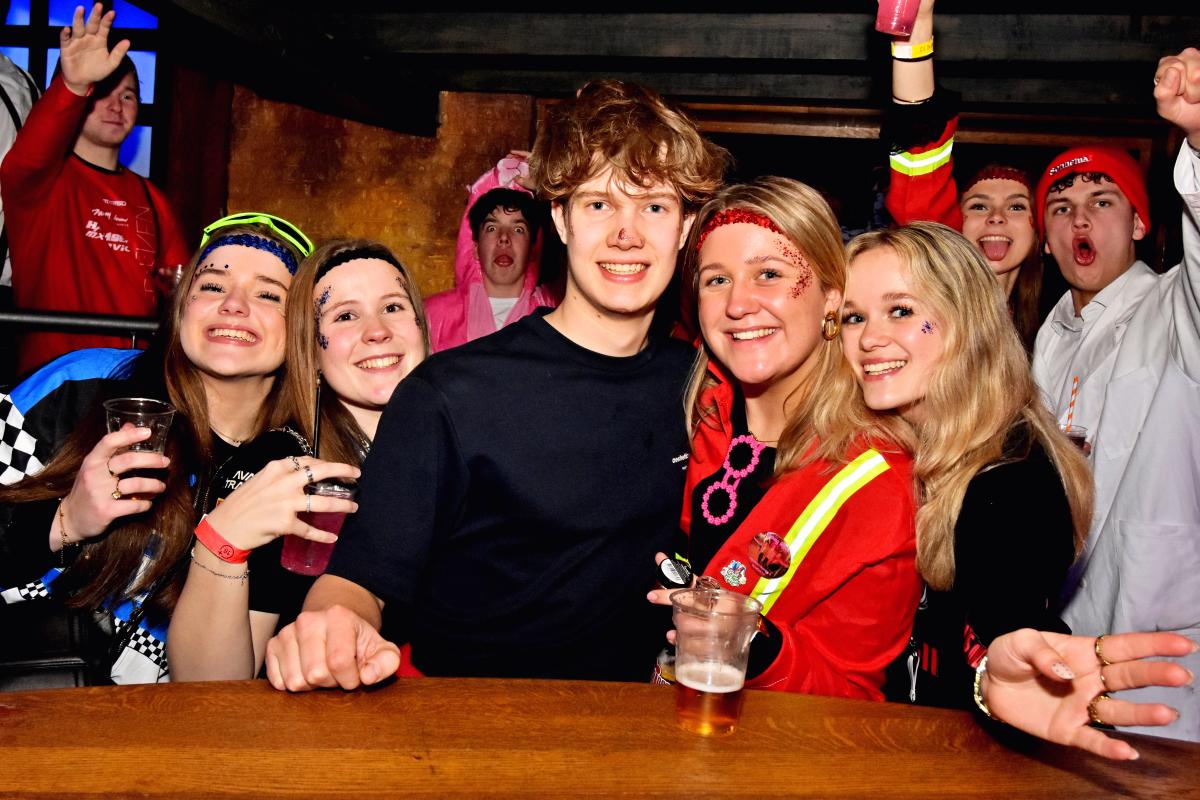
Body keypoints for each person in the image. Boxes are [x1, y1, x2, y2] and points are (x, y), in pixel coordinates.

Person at [263, 79, 729, 690]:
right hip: (472, 728)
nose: (626, 234)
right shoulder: (448, 394)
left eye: (654, 207)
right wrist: (329, 627)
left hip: (638, 727)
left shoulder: (702, 384)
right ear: (560, 218)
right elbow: (359, 579)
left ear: (686, 226)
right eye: (598, 204)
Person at [0, 212, 310, 683]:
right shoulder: (83, 386)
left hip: (166, 722)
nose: (233, 305)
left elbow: (223, 687)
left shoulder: (290, 470)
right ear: (182, 306)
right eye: (212, 285)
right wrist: (64, 521)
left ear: (303, 330)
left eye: (269, 294)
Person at [647, 177, 922, 700]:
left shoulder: (877, 486)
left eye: (769, 274)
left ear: (831, 298)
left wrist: (755, 644)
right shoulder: (703, 412)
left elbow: (853, 697)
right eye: (716, 280)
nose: (737, 304)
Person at [841, 222, 1092, 710]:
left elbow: (1009, 633)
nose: (869, 338)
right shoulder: (903, 442)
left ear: (965, 320)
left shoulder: (1009, 479)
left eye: (900, 311)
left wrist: (1011, 685)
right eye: (854, 317)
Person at [1029, 47, 1200, 742]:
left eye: (1102, 202)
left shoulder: (1177, 307)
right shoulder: (1048, 336)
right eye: (1062, 208)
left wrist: (1198, 140)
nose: (1080, 222)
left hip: (1164, 626)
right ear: (1045, 240)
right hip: (1067, 630)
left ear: (1137, 223)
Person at [168, 240, 429, 680]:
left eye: (393, 307)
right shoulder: (283, 468)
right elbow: (206, 686)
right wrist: (221, 542)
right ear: (313, 351)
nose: (377, 331)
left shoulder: (459, 447)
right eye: (345, 316)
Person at [0, 3, 189, 375]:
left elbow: (182, 284)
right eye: (102, 93)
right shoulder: (42, 182)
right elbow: (30, 157)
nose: (116, 107)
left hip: (131, 378)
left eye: (128, 96)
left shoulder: (154, 200)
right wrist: (72, 86)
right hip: (53, 380)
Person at [884, 0, 1041, 349]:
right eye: (979, 206)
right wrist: (915, 29)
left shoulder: (1057, 329)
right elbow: (920, 175)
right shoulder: (938, 318)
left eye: (1017, 206)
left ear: (1039, 232)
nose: (996, 217)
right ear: (956, 223)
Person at [424, 154, 557, 352]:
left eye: (518, 229)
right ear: (475, 248)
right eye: (492, 228)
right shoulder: (431, 316)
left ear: (532, 249)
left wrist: (554, 185)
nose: (504, 238)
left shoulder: (557, 312)